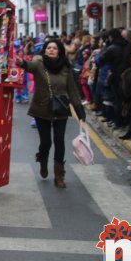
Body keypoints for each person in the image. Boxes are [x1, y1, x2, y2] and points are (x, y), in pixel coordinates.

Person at [16, 39, 85, 188]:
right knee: (46, 142)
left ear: (59, 51)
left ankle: (59, 175)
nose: (51, 50)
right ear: (45, 51)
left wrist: (79, 110)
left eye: (54, 48)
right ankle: (42, 159)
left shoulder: (66, 68)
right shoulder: (39, 64)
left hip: (60, 108)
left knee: (59, 140)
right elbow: (28, 66)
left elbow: (72, 90)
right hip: (42, 109)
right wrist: (20, 62)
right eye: (49, 48)